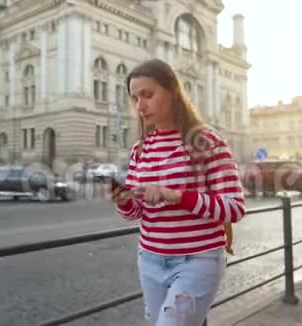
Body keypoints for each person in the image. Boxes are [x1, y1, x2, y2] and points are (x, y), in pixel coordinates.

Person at [111, 59, 246, 326]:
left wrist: (173, 195)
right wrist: (124, 201)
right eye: (135, 98)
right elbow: (138, 213)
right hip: (149, 259)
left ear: (172, 91)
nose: (140, 106)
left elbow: (234, 208)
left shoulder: (207, 141)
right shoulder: (140, 150)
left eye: (147, 95)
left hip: (196, 261)